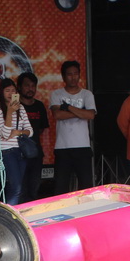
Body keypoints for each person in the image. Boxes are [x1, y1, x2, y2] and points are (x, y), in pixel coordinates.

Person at [50, 60, 97, 195]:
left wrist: (68, 107)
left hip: (83, 146)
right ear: (63, 77)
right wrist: (80, 112)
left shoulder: (87, 94)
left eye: (76, 74)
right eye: (69, 74)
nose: (73, 77)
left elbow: (90, 115)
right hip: (62, 147)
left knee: (86, 187)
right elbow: (57, 115)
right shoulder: (56, 94)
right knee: (61, 187)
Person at [0, 78, 33, 206]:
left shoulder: (21, 108)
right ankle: (10, 212)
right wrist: (9, 112)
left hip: (21, 151)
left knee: (14, 186)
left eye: (13, 90)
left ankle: (5, 209)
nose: (10, 93)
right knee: (16, 187)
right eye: (7, 90)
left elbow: (30, 131)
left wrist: (18, 132)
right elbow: (4, 134)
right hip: (7, 152)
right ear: (2, 92)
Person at [17, 71, 49, 202]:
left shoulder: (39, 106)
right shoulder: (15, 106)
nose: (30, 89)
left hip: (36, 153)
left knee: (34, 189)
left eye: (33, 86)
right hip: (18, 153)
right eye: (27, 85)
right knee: (20, 190)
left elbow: (41, 128)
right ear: (19, 87)